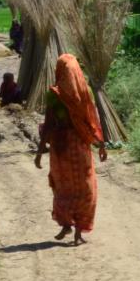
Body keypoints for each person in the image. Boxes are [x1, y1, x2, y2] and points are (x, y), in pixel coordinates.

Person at [34, 54, 107, 246]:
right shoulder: (85, 91)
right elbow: (92, 120)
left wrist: (40, 151)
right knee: (85, 186)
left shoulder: (55, 94)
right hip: (81, 146)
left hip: (60, 147)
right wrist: (101, 143)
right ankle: (78, 229)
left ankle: (66, 223)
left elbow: (49, 124)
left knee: (62, 186)